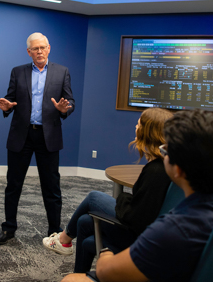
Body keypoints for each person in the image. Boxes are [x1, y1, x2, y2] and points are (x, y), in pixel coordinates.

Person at [55, 109, 213, 282]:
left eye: (167, 150)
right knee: (88, 232)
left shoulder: (171, 230)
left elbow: (105, 272)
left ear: (177, 169)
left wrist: (106, 253)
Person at [43, 108, 173, 273]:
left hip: (139, 238)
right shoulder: (164, 166)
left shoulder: (156, 171)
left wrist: (122, 199)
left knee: (93, 198)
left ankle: (64, 239)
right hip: (144, 231)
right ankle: (78, 281)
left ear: (148, 131)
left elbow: (136, 218)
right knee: (83, 222)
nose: (135, 126)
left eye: (139, 124)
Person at [0, 32, 75, 245]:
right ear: (29, 51)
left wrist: (64, 108)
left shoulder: (62, 72)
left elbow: (70, 101)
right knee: (13, 185)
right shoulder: (18, 72)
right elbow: (10, 98)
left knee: (51, 187)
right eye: (35, 49)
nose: (39, 52)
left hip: (48, 136)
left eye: (43, 48)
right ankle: (9, 228)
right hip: (22, 134)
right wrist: (7, 106)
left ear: (49, 48)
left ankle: (54, 231)